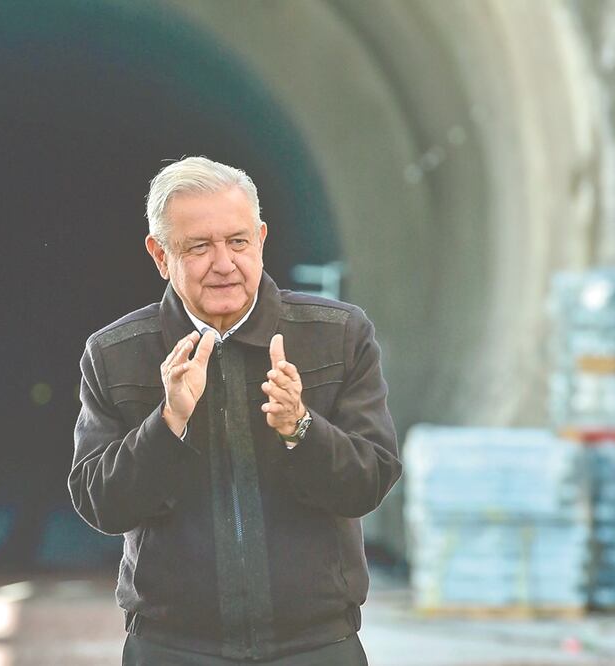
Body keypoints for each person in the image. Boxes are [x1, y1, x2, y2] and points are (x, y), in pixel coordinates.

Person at [69, 156, 400, 665]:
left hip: (316, 645)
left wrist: (301, 429)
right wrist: (168, 422)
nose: (224, 263)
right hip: (173, 647)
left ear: (262, 239)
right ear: (160, 255)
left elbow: (370, 481)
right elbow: (101, 504)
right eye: (199, 246)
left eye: (238, 241)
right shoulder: (116, 354)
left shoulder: (336, 335)